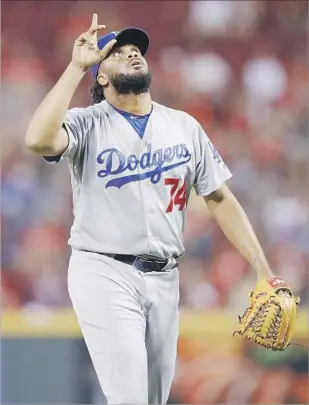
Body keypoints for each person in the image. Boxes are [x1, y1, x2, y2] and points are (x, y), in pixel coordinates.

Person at [25, 13, 277, 405]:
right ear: (101, 77)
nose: (132, 55)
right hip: (104, 270)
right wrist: (77, 68)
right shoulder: (87, 123)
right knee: (130, 399)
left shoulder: (184, 126)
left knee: (153, 399)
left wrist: (263, 268)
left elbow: (220, 197)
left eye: (136, 50)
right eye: (119, 53)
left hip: (164, 276)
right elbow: (38, 140)